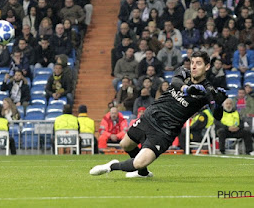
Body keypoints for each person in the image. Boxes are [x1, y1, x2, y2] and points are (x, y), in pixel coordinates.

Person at [90, 51, 227, 178]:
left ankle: (111, 166)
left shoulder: (208, 90)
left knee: (138, 162)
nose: (194, 66)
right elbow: (175, 82)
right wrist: (187, 89)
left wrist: (218, 103)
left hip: (165, 131)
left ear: (207, 66)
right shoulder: (183, 72)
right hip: (150, 116)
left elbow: (217, 115)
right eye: (192, 63)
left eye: (198, 63)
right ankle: (142, 173)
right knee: (125, 144)